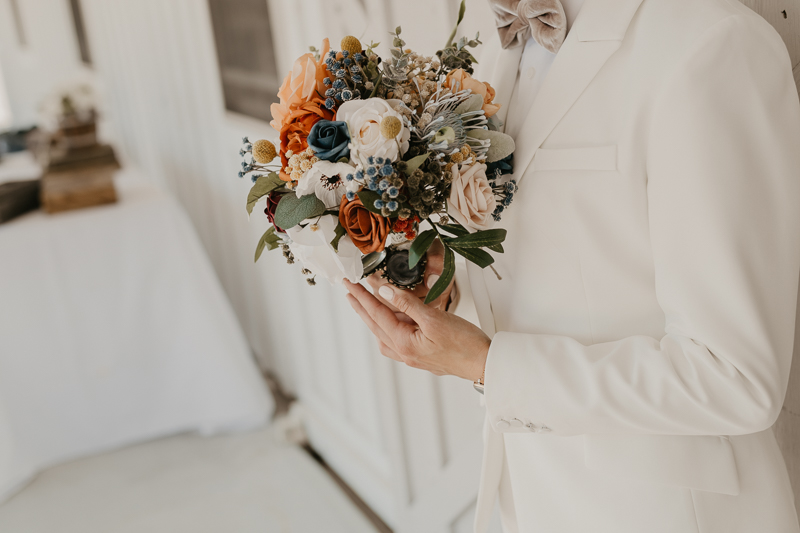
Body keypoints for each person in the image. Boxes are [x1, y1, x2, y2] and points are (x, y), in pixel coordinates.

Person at [344, 0, 800, 531]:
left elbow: (733, 377)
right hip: (530, 494)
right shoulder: (493, 48)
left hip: (662, 513)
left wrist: (490, 367)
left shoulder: (712, 44)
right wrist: (450, 283)